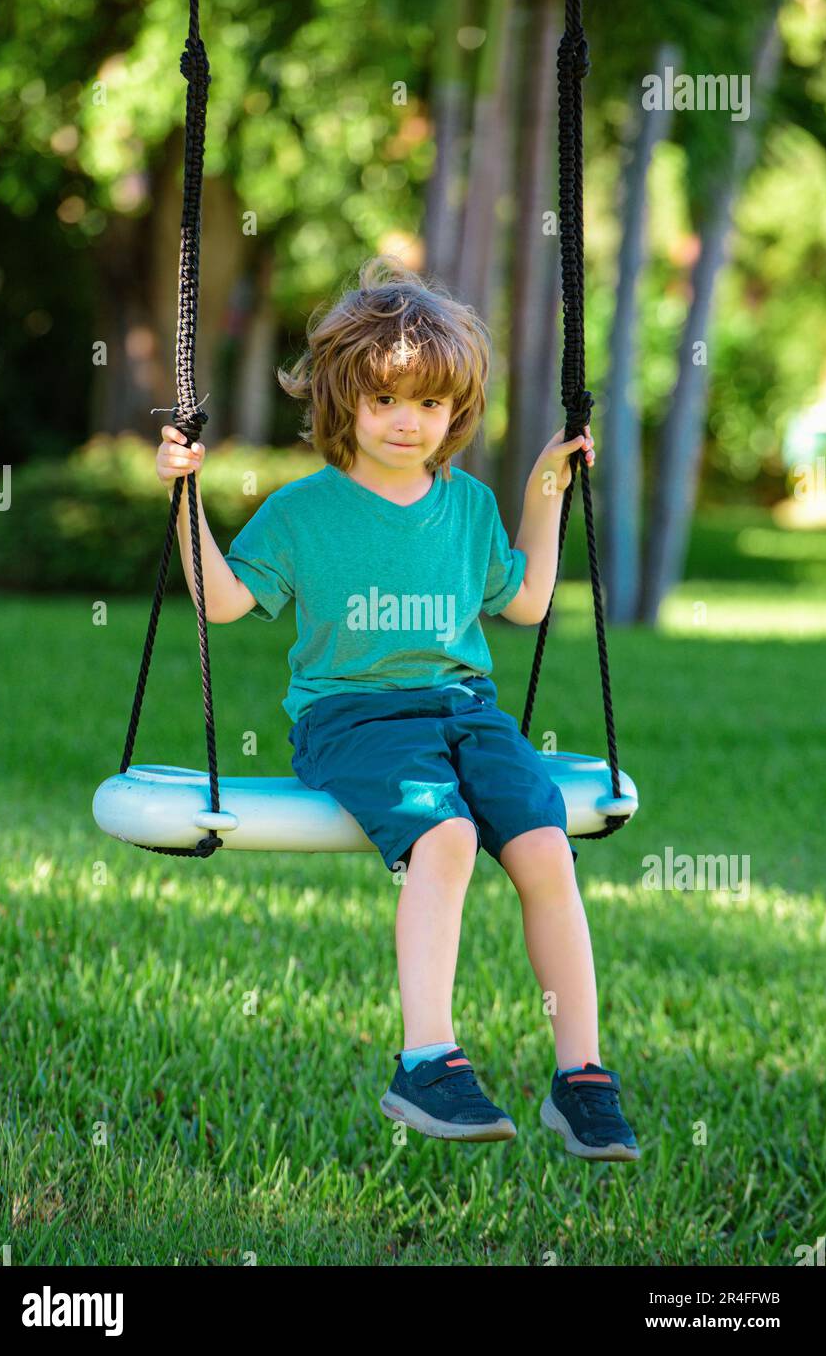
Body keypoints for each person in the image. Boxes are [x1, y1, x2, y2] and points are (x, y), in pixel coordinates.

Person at [155, 254, 639, 1162]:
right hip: (352, 720)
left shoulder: (468, 506)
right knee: (446, 837)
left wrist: (546, 487)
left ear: (457, 411)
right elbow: (222, 602)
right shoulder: (303, 512)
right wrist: (185, 501)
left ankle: (581, 1077)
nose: (408, 421)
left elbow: (527, 602)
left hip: (469, 714)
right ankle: (426, 1063)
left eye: (430, 403)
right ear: (346, 402)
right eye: (385, 400)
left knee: (544, 847)